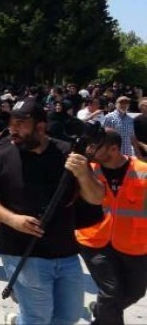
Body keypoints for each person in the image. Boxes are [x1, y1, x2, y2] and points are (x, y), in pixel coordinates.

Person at [0, 97, 105, 324]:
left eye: (20, 124)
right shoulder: (1, 157)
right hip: (22, 250)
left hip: (66, 252)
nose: (13, 129)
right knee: (38, 318)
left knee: (69, 316)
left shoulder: (68, 153)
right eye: (11, 123)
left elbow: (96, 197)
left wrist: (84, 174)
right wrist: (12, 219)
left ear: (41, 127)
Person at [76, 130, 147, 324]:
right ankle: (105, 312)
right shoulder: (87, 170)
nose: (90, 150)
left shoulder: (143, 171)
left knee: (135, 292)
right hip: (94, 240)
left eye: (95, 146)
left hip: (134, 243)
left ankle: (100, 311)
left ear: (114, 149)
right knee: (111, 293)